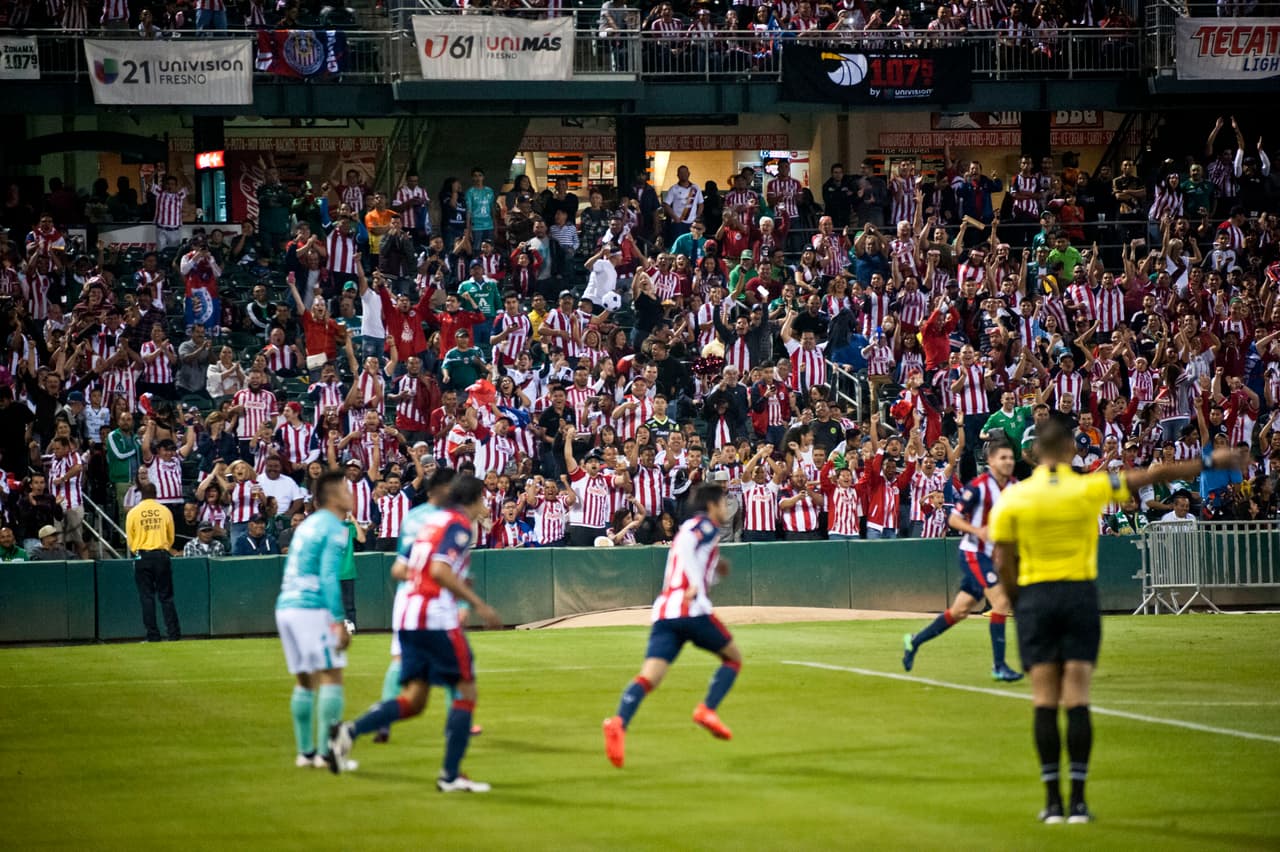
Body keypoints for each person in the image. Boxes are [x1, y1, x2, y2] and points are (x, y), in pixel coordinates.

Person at [988, 419, 1242, 824]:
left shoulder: (1013, 498)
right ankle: (1081, 803)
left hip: (1036, 597)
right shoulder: (1088, 486)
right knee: (1077, 698)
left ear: (1032, 454)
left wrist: (1020, 601)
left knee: (1043, 701)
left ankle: (1053, 802)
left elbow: (1002, 561)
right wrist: (1209, 459)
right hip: (1078, 596)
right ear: (1072, 449)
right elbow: (1156, 474)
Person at [327, 475, 503, 791]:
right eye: (484, 498)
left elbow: (404, 567)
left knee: (415, 699)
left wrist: (454, 583)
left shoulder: (430, 522)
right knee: (466, 690)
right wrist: (477, 603)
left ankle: (348, 732)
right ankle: (450, 776)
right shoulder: (459, 524)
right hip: (434, 617)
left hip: (409, 616)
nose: (486, 504)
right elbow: (438, 570)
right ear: (474, 498)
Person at [603, 483, 742, 769]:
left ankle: (618, 722)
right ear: (712, 505)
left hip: (666, 613)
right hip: (691, 609)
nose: (726, 507)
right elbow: (688, 549)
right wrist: (694, 582)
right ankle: (707, 709)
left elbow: (687, 557)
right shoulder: (704, 526)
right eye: (723, 502)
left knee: (649, 677)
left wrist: (714, 571)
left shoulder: (695, 528)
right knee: (733, 659)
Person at [902, 441, 1023, 681]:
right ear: (990, 461)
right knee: (1000, 603)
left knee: (959, 611)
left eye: (1011, 458)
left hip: (992, 554)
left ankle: (914, 641)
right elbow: (954, 520)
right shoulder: (977, 487)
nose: (1008, 462)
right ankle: (999, 666)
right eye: (1003, 458)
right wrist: (978, 531)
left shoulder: (1015, 487)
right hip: (973, 552)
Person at [275, 470, 354, 771]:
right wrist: (338, 620)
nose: (351, 495)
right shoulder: (334, 527)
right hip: (310, 607)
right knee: (332, 675)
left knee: (305, 681)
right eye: (346, 490)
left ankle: (305, 752)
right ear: (334, 497)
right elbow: (328, 576)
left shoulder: (308, 525)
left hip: (287, 605)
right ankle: (326, 753)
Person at [125, 482, 179, 642]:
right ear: (156, 493)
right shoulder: (164, 511)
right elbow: (171, 536)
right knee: (166, 597)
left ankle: (153, 635)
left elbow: (130, 538)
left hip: (143, 556)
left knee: (147, 597)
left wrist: (138, 551)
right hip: (162, 555)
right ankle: (174, 634)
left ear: (141, 494)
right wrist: (164, 547)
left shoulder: (134, 513)